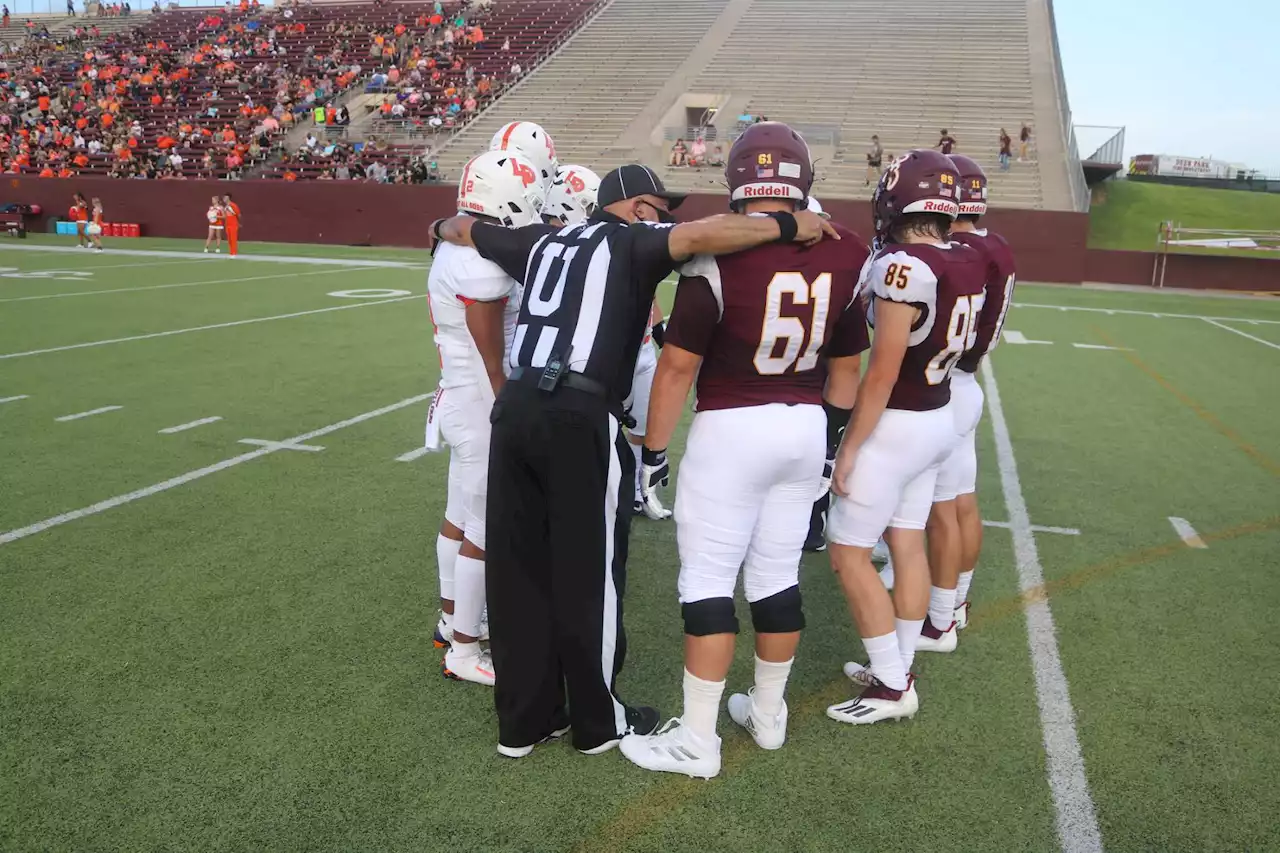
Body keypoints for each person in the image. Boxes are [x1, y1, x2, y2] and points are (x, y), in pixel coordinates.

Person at [430, 163, 836, 759]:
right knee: (589, 573)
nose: (665, 215)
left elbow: (464, 229)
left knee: (517, 575)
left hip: (514, 412)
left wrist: (436, 225)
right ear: (633, 208)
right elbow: (701, 236)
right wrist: (786, 222)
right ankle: (598, 722)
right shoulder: (631, 242)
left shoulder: (540, 238)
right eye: (657, 205)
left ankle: (524, 723)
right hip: (580, 412)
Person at [619, 123, 869, 779]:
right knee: (776, 575)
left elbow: (675, 368)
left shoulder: (721, 252)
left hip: (732, 426)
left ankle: (698, 739)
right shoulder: (848, 251)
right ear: (802, 181)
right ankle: (768, 713)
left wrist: (653, 452)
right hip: (804, 425)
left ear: (737, 182)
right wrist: (826, 447)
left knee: (707, 581)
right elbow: (848, 367)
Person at [823, 150, 987, 726]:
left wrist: (847, 446)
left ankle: (894, 684)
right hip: (939, 415)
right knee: (907, 540)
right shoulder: (965, 256)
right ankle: (896, 662)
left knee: (847, 553)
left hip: (899, 422)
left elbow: (883, 371)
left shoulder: (904, 267)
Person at [426, 150, 547, 687]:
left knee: (461, 516)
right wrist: (510, 409)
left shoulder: (460, 244)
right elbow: (488, 358)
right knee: (484, 525)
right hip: (477, 401)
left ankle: (454, 620)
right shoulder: (478, 264)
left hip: (460, 395)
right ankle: (464, 649)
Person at [917, 154, 1017, 648]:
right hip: (968, 380)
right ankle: (955, 602)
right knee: (962, 501)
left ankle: (939, 619)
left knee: (941, 510)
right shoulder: (996, 246)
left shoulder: (955, 252)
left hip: (943, 382)